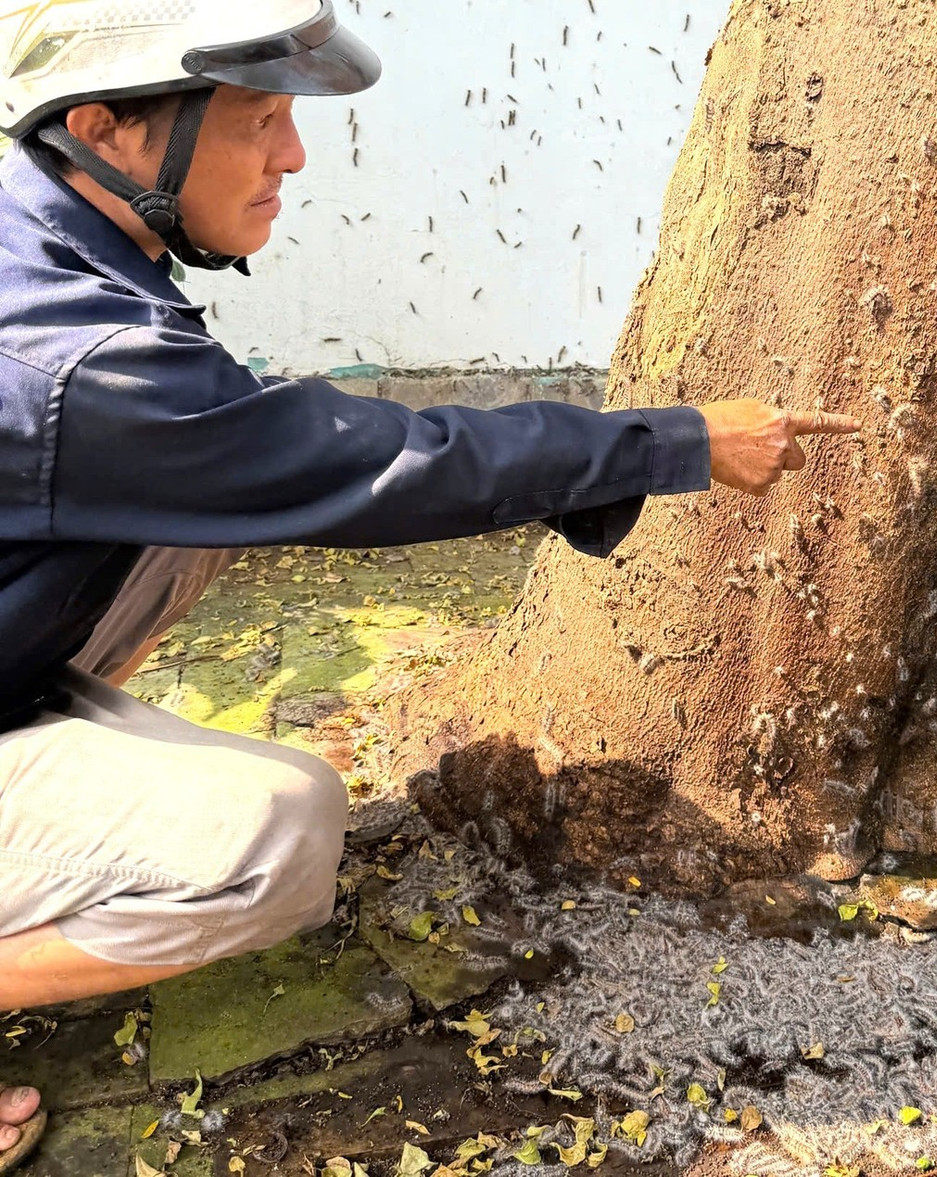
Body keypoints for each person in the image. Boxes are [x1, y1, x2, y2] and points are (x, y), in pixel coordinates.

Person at [0, 1, 859, 1167]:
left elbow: (271, 453)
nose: (292, 156)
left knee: (195, 521)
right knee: (282, 835)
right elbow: (378, 467)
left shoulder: (45, 250)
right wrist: (674, 442)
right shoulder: (76, 359)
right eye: (259, 120)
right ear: (104, 130)